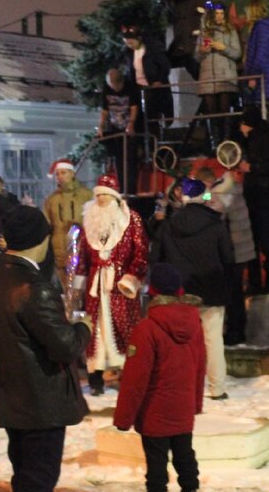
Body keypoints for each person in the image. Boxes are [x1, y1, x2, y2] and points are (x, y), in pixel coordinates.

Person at [0, 206, 92, 492]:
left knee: (28, 473)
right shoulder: (32, 287)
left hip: (12, 393)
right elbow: (63, 347)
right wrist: (82, 328)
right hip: (38, 398)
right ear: (41, 241)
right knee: (37, 478)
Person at [114, 263, 206, 492]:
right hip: (183, 408)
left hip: (155, 411)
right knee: (185, 455)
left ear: (152, 292)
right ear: (179, 291)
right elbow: (200, 367)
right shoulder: (195, 323)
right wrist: (195, 405)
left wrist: (123, 418)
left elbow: (135, 379)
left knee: (156, 462)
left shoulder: (146, 329)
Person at [152, 177, 233, 400]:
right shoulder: (216, 224)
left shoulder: (169, 225)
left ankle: (182, 387)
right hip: (212, 289)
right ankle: (216, 388)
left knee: (182, 342)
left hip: (181, 292)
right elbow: (228, 257)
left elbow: (157, 257)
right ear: (202, 197)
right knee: (213, 340)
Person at [73, 174, 149, 396]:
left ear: (115, 197)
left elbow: (141, 252)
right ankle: (95, 378)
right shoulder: (88, 222)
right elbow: (82, 259)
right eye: (98, 196)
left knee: (125, 329)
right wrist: (78, 287)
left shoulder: (130, 219)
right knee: (95, 331)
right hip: (95, 288)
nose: (102, 200)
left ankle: (129, 374)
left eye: (106, 195)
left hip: (120, 286)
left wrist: (131, 277)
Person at [199, 166, 255, 345]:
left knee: (232, 292)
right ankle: (237, 328)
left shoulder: (223, 191)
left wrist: (203, 194)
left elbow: (217, 207)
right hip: (238, 248)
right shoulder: (230, 187)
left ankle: (235, 331)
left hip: (233, 250)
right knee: (235, 291)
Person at [239, 105, 269, 294]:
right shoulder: (253, 140)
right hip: (257, 197)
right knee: (258, 242)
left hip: (263, 198)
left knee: (263, 241)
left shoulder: (265, 140)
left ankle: (268, 283)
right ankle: (262, 283)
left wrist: (252, 168)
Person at [193, 0, 241, 147]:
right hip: (207, 76)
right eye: (217, 14)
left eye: (221, 14)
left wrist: (223, 47)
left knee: (224, 109)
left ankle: (226, 141)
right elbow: (196, 56)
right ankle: (215, 143)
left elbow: (237, 53)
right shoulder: (205, 32)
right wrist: (202, 51)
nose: (219, 17)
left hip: (225, 76)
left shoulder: (230, 30)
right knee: (211, 112)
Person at [42, 159, 93, 296]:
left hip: (82, 249)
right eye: (57, 174)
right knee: (67, 289)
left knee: (83, 287)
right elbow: (46, 224)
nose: (60, 176)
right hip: (60, 251)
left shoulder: (86, 195)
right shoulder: (52, 199)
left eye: (63, 173)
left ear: (72, 173)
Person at [121, 23, 173, 141]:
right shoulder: (128, 54)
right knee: (139, 118)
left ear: (139, 39)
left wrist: (159, 80)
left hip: (152, 88)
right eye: (126, 43)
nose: (129, 45)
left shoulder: (152, 49)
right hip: (137, 89)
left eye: (131, 42)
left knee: (152, 116)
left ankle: (156, 142)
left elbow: (165, 66)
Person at [242, 0, 269, 138]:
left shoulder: (262, 28)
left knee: (263, 115)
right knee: (263, 114)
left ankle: (266, 146)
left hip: (263, 80)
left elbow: (260, 54)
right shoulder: (262, 28)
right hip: (265, 77)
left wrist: (253, 75)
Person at [98, 68, 140, 193]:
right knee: (119, 158)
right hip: (115, 127)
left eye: (115, 86)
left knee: (130, 159)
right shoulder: (106, 90)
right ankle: (122, 188)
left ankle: (131, 189)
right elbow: (105, 111)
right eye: (112, 86)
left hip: (129, 127)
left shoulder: (130, 88)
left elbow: (134, 107)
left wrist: (131, 123)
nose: (114, 89)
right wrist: (101, 125)